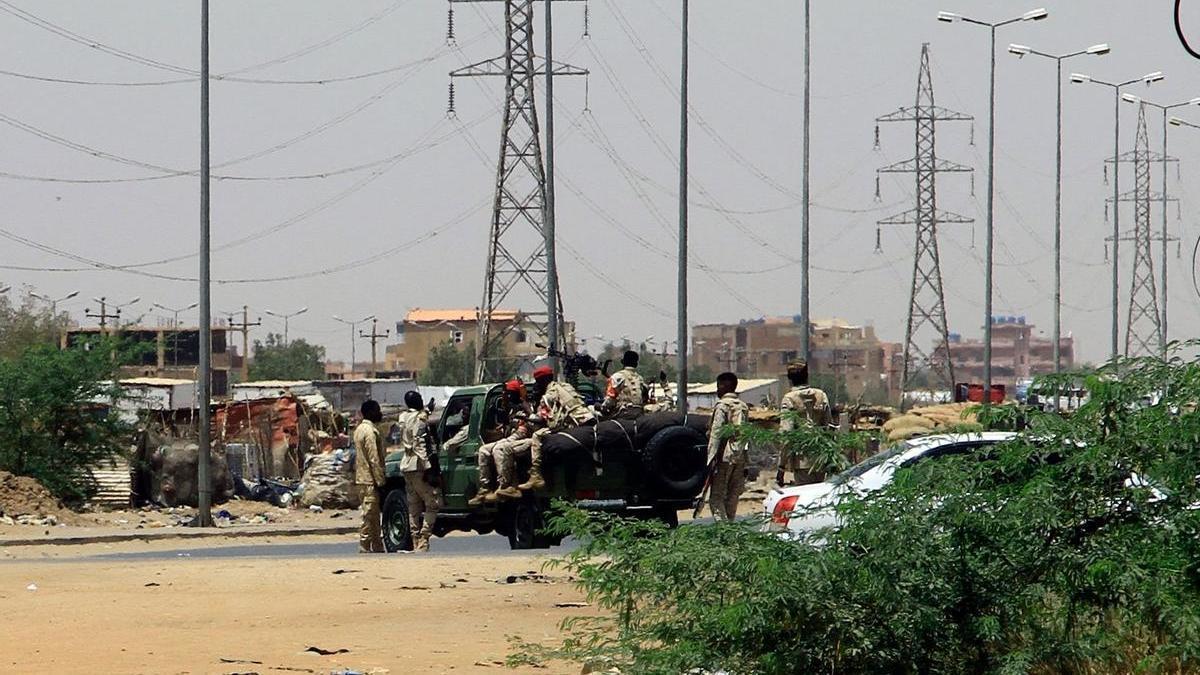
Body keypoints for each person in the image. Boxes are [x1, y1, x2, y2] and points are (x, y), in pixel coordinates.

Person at [502, 365, 596, 491]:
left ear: (543, 380)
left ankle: (536, 474)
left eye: (538, 382)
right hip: (585, 421)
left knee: (537, 435)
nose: (537, 385)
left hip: (571, 425)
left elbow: (541, 419)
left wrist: (527, 414)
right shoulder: (566, 386)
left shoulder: (548, 396)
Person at [467, 379, 532, 506]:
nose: (506, 396)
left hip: (524, 439)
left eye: (509, 394)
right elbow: (505, 428)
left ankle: (506, 485)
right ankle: (485, 488)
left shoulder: (525, 408)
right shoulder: (511, 410)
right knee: (483, 450)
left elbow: (522, 431)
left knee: (499, 448)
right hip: (514, 438)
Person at [397, 390, 442, 552]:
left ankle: (415, 539)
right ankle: (424, 538)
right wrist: (428, 468)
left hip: (406, 464)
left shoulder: (403, 417)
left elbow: (416, 417)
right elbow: (419, 444)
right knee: (433, 503)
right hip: (418, 465)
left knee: (413, 506)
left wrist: (427, 410)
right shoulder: (420, 420)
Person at [776, 360, 832, 486]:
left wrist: (781, 466)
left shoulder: (789, 399)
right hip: (821, 459)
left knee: (805, 495)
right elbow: (829, 428)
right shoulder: (821, 395)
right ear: (807, 375)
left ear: (789, 378)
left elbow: (786, 435)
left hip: (802, 461)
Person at [706, 372, 751, 522]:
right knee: (732, 497)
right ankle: (730, 527)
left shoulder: (722, 406)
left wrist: (710, 459)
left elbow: (716, 434)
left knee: (716, 499)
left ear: (723, 386)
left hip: (724, 458)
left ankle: (724, 530)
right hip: (740, 457)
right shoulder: (743, 407)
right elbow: (746, 435)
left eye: (718, 386)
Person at [353, 399, 387, 553]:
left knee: (373, 516)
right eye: (377, 410)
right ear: (371, 412)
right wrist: (380, 481)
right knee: (368, 514)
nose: (380, 414)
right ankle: (364, 544)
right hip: (369, 480)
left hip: (361, 478)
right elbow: (374, 459)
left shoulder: (359, 429)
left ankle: (377, 546)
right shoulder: (370, 432)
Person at [601, 350, 647, 418]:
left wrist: (602, 407)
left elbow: (610, 399)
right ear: (636, 364)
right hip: (639, 413)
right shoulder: (640, 379)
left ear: (623, 362)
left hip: (622, 414)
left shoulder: (616, 377)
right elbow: (645, 397)